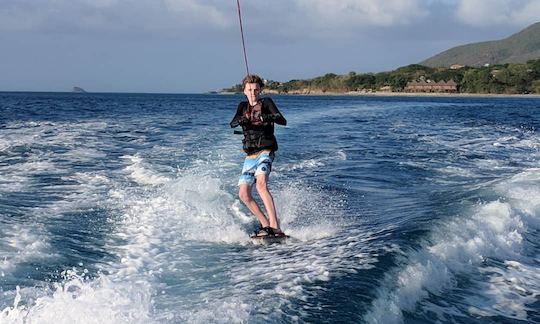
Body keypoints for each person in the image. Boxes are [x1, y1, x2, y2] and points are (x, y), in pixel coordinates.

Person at [230, 74, 287, 237]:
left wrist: (264, 116)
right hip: (250, 156)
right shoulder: (242, 106)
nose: (253, 92)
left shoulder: (267, 103)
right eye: (250, 90)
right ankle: (265, 225)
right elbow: (232, 123)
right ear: (244, 91)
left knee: (261, 184)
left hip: (266, 151)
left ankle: (275, 226)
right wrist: (242, 119)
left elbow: (282, 120)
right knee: (244, 194)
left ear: (260, 90)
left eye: (256, 89)